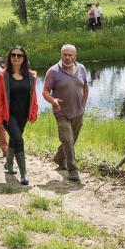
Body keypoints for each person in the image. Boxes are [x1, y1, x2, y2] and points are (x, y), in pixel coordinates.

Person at [42, 44, 89, 182]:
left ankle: (59, 158)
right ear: (61, 55)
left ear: (75, 56)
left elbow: (85, 87)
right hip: (61, 112)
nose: (67, 57)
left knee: (72, 139)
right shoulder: (53, 71)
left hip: (78, 111)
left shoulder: (82, 68)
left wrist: (83, 105)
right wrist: (52, 100)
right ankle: (72, 169)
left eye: (70, 55)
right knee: (67, 139)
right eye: (64, 54)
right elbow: (45, 91)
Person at [0, 45, 38, 185]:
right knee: (18, 140)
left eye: (19, 55)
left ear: (24, 58)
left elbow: (33, 96)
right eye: (13, 55)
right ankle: (24, 173)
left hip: (23, 115)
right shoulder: (3, 76)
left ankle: (9, 164)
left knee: (14, 139)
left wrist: (34, 111)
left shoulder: (31, 76)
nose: (16, 57)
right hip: (8, 115)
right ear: (10, 57)